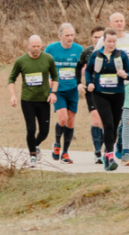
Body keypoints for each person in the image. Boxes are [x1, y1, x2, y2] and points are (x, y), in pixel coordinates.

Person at [85, 28, 129, 171]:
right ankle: (111, 157)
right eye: (109, 41)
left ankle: (107, 153)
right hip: (100, 94)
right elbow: (88, 70)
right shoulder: (96, 55)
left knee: (114, 126)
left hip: (118, 94)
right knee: (108, 123)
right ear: (104, 41)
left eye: (114, 41)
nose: (111, 44)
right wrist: (89, 83)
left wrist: (125, 75)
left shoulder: (121, 55)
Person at [8, 35, 59, 167]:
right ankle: (32, 155)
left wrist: (53, 93)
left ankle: (35, 144)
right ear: (28, 46)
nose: (36, 49)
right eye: (34, 46)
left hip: (44, 100)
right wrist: (13, 95)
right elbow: (11, 79)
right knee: (31, 129)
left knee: (44, 132)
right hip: (28, 101)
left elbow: (55, 77)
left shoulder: (48, 58)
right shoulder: (21, 61)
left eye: (38, 46)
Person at [105, 13, 129, 166]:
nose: (119, 23)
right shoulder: (105, 40)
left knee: (128, 118)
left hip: (128, 83)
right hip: (111, 85)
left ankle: (126, 153)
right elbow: (97, 59)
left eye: (121, 21)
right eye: (116, 21)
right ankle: (109, 151)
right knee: (112, 121)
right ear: (110, 23)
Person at [46, 23, 84, 164]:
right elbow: (44, 65)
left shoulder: (79, 49)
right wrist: (48, 79)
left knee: (70, 121)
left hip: (72, 89)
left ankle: (65, 152)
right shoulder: (51, 49)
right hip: (58, 89)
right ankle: (57, 144)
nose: (70, 38)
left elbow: (83, 66)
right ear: (60, 36)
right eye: (67, 35)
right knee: (62, 118)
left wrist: (83, 74)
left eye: (72, 35)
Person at [75, 26, 105, 164]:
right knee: (95, 119)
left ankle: (105, 149)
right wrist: (79, 83)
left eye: (101, 37)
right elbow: (78, 67)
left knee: (105, 122)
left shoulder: (111, 51)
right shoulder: (87, 52)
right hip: (91, 89)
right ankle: (97, 152)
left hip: (107, 89)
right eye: (95, 37)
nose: (98, 40)